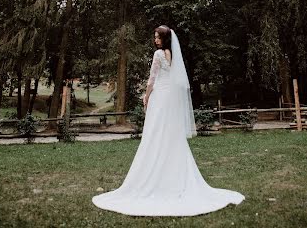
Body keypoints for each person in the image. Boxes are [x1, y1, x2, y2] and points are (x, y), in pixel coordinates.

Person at [92, 25, 245, 216]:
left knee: (155, 133)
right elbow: (176, 82)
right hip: (168, 98)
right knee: (169, 134)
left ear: (164, 39)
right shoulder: (172, 56)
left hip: (159, 98)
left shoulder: (158, 55)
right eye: (155, 37)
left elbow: (152, 79)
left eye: (158, 37)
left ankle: (155, 171)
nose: (155, 40)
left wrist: (146, 96)